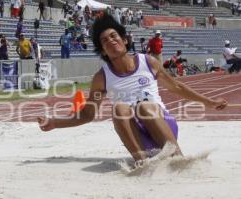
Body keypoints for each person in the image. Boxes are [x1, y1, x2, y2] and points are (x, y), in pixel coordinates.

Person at [37, 14, 228, 165]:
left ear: (125, 40)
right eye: (105, 41)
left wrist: (209, 102)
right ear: (103, 51)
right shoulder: (101, 78)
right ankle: (143, 163)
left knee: (144, 107)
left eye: (114, 36)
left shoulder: (148, 62)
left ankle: (178, 158)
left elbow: (176, 86)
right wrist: (54, 122)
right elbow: (87, 114)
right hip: (137, 136)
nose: (111, 41)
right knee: (119, 108)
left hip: (162, 126)